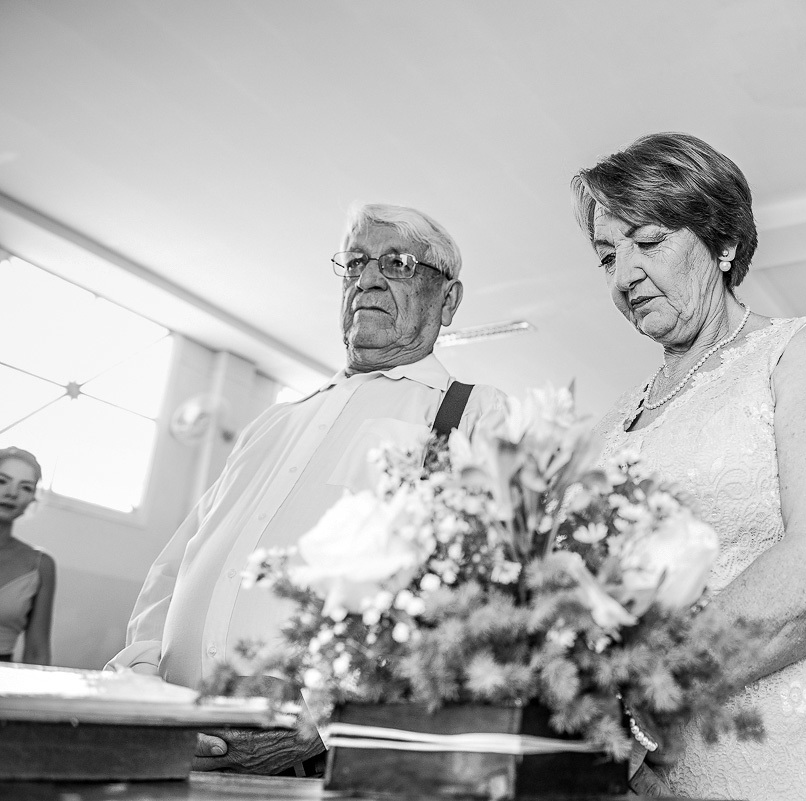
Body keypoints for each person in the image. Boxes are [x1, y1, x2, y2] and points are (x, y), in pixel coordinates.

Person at [107, 204, 507, 775]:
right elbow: (177, 567)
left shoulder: (473, 413)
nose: (368, 279)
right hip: (172, 748)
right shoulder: (273, 422)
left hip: (318, 763)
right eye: (355, 262)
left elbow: (477, 599)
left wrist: (323, 720)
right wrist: (143, 683)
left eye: (397, 263)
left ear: (448, 300)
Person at [573, 132, 806, 800]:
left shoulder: (803, 351)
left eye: (648, 241)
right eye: (607, 255)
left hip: (790, 749)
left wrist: (644, 701)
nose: (623, 275)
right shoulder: (609, 422)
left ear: (723, 243)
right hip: (643, 773)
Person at [0, 447, 55, 664]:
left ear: (32, 499)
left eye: (25, 487)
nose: (12, 493)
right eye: (2, 481)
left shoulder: (41, 565)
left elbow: (37, 653)